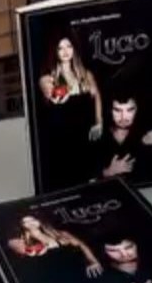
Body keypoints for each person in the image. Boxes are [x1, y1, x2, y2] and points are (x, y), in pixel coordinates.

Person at [36, 34, 102, 187]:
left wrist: (99, 121)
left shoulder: (85, 74)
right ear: (55, 51)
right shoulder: (49, 77)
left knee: (91, 181)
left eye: (69, 46)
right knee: (69, 181)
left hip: (86, 135)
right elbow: (48, 90)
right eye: (60, 48)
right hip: (64, 139)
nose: (65, 51)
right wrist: (53, 91)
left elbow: (97, 95)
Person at [91, 92, 152, 183]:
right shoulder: (99, 135)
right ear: (110, 110)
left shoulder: (146, 132)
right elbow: (87, 178)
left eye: (130, 110)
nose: (123, 117)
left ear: (137, 109)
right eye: (117, 110)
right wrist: (108, 172)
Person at [7, 214, 103, 278]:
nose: (30, 223)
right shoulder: (20, 241)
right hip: (50, 281)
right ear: (22, 225)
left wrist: (94, 261)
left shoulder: (61, 234)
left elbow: (82, 245)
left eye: (32, 219)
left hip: (77, 273)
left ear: (39, 220)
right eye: (26, 222)